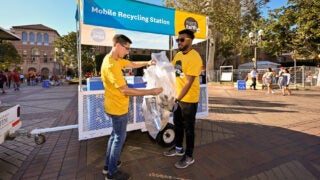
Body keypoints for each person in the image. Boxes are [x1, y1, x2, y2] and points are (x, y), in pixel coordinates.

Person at [101, 34, 163, 180]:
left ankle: (108, 165)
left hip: (114, 105)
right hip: (117, 108)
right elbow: (125, 90)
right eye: (126, 48)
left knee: (114, 136)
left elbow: (132, 64)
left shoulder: (115, 60)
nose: (128, 52)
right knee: (119, 139)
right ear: (117, 45)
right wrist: (151, 91)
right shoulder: (111, 65)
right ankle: (112, 173)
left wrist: (148, 62)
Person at [163, 29, 203, 169]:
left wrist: (177, 99)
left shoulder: (195, 57)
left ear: (190, 41)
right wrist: (158, 65)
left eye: (182, 39)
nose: (178, 42)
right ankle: (178, 148)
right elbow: (171, 69)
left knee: (189, 129)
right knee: (177, 124)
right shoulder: (178, 55)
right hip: (178, 97)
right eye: (177, 39)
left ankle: (189, 156)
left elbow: (188, 82)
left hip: (188, 99)